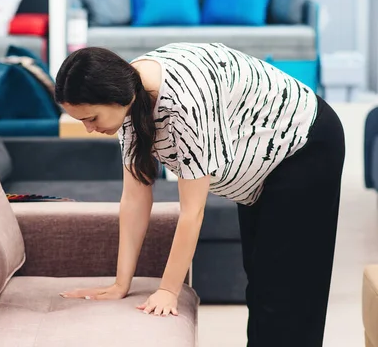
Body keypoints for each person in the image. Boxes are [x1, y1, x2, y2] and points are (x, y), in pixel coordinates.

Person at [54, 43, 345, 347]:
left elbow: (192, 211)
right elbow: (135, 199)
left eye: (91, 118)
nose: (88, 129)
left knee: (287, 292)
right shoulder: (129, 98)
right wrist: (120, 283)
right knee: (261, 286)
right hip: (262, 167)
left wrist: (169, 290)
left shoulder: (183, 100)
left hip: (304, 146)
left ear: (114, 95)